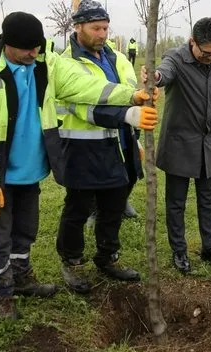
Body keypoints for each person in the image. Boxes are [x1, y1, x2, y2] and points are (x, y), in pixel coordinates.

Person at [0, 11, 155, 319]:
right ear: (8, 44)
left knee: (25, 231)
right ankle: (2, 298)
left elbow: (82, 86)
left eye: (37, 47)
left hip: (29, 172)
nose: (34, 53)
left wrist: (130, 95)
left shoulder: (45, 63)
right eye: (27, 49)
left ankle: (21, 278)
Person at [55, 0, 158, 293]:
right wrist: (129, 107)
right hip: (82, 149)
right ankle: (72, 262)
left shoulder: (117, 57)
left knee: (113, 206)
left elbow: (132, 89)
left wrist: (147, 93)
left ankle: (107, 257)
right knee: (78, 208)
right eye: (95, 28)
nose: (102, 34)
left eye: (105, 27)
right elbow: (83, 103)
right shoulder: (67, 64)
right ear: (78, 27)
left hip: (120, 145)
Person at [141, 17, 211, 274]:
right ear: (193, 42)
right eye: (206, 53)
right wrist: (154, 76)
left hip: (210, 143)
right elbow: (163, 73)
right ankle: (179, 252)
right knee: (176, 202)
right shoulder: (177, 58)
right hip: (180, 144)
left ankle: (209, 248)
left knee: (208, 199)